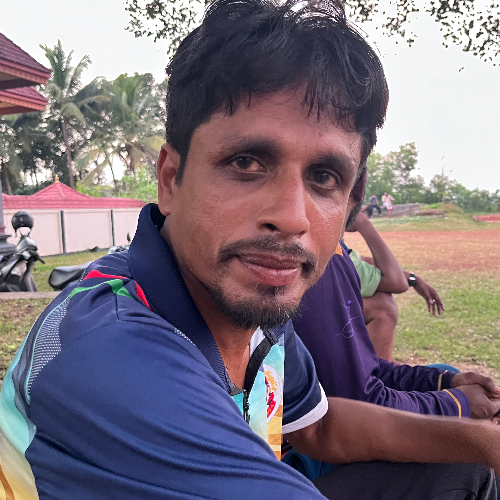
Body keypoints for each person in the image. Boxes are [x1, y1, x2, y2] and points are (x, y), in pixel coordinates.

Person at [1, 1, 500, 499]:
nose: (293, 217)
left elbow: (319, 427)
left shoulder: (251, 308)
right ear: (171, 179)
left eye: (324, 176)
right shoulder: (113, 355)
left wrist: (484, 441)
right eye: (246, 162)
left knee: (470, 471)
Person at [346, 210, 444, 360]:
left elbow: (363, 261)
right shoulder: (336, 257)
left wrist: (413, 279)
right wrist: (364, 224)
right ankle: (378, 371)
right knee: (382, 305)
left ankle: (385, 363)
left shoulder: (338, 247)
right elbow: (396, 282)